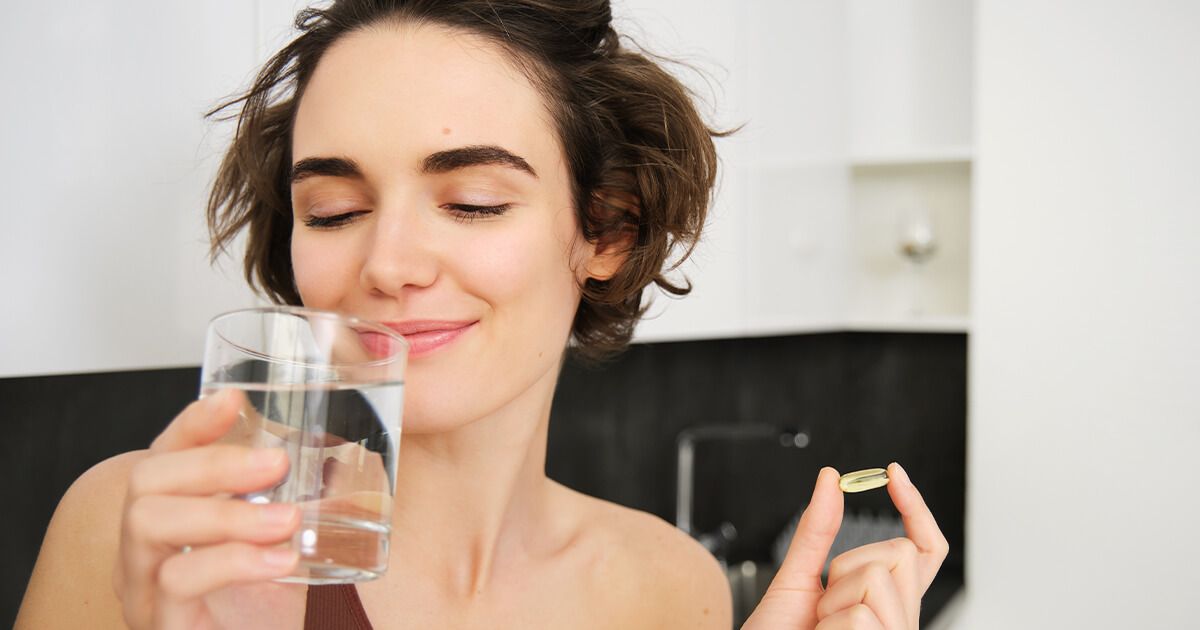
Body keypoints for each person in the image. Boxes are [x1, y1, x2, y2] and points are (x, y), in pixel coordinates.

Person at [16, 1, 947, 628]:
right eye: (333, 212)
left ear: (606, 229)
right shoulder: (151, 530)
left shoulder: (671, 590)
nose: (386, 265)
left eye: (471, 202)